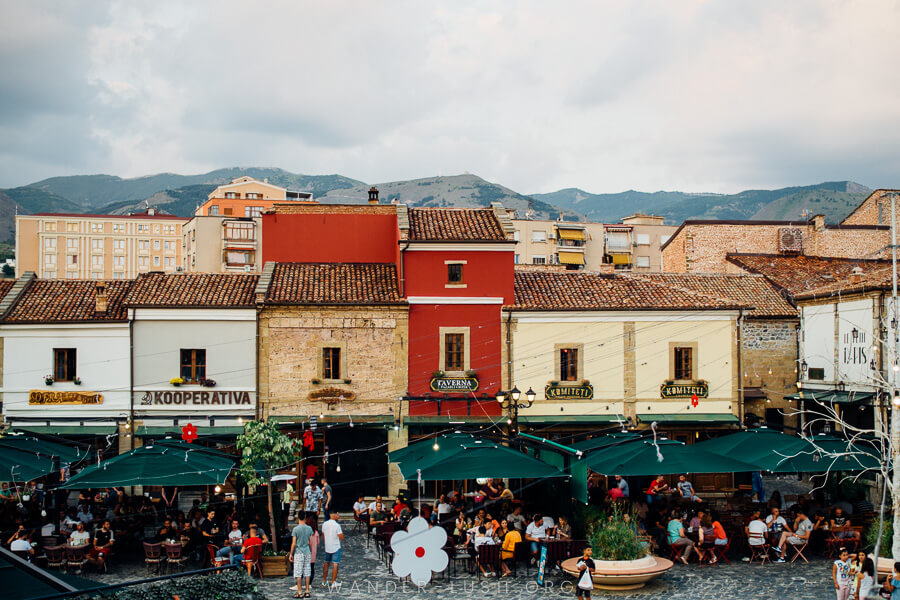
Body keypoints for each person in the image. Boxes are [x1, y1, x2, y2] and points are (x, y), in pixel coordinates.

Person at [289, 513, 314, 599]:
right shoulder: (309, 528)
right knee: (307, 571)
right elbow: (310, 542)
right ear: (305, 518)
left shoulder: (296, 529)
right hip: (307, 551)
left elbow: (294, 543)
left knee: (298, 572)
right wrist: (310, 550)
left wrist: (291, 553)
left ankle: (300, 592)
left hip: (299, 552)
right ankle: (307, 591)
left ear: (298, 517)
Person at [322, 511, 343, 587]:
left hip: (327, 546)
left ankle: (324, 580)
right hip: (335, 546)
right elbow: (341, 537)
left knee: (326, 563)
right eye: (337, 514)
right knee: (335, 564)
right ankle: (333, 581)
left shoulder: (324, 524)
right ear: (334, 515)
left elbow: (323, 535)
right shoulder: (337, 526)